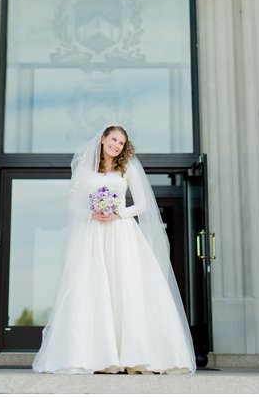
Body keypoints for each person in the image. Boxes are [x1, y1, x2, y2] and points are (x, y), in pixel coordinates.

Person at [32, 125, 196, 375]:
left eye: (121, 142)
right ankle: (95, 356)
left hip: (122, 233)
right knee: (92, 289)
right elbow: (72, 204)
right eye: (114, 140)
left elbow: (142, 204)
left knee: (126, 287)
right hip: (92, 234)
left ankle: (135, 356)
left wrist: (119, 212)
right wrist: (92, 213)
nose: (117, 146)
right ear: (102, 139)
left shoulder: (127, 168)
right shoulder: (85, 170)